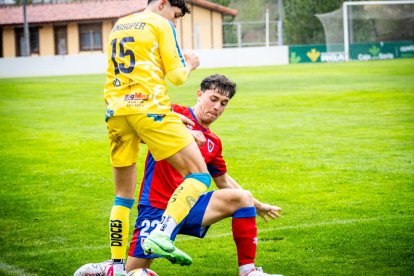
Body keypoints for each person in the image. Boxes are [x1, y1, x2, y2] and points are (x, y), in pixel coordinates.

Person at [75, 74, 283, 276]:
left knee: (242, 197)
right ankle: (110, 269)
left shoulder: (214, 142)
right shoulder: (174, 114)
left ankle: (248, 271)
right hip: (157, 208)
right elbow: (136, 134)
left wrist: (258, 205)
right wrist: (179, 134)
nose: (217, 107)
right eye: (213, 99)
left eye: (224, 103)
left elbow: (224, 181)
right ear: (199, 94)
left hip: (191, 206)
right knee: (132, 272)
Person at [102, 0, 214, 274]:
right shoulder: (160, 23)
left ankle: (117, 267)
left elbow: (136, 70)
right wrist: (189, 65)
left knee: (122, 198)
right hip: (149, 110)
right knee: (199, 176)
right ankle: (162, 233)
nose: (174, 22)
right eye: (175, 15)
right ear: (163, 3)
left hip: (116, 112)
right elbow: (176, 78)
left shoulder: (120, 24)